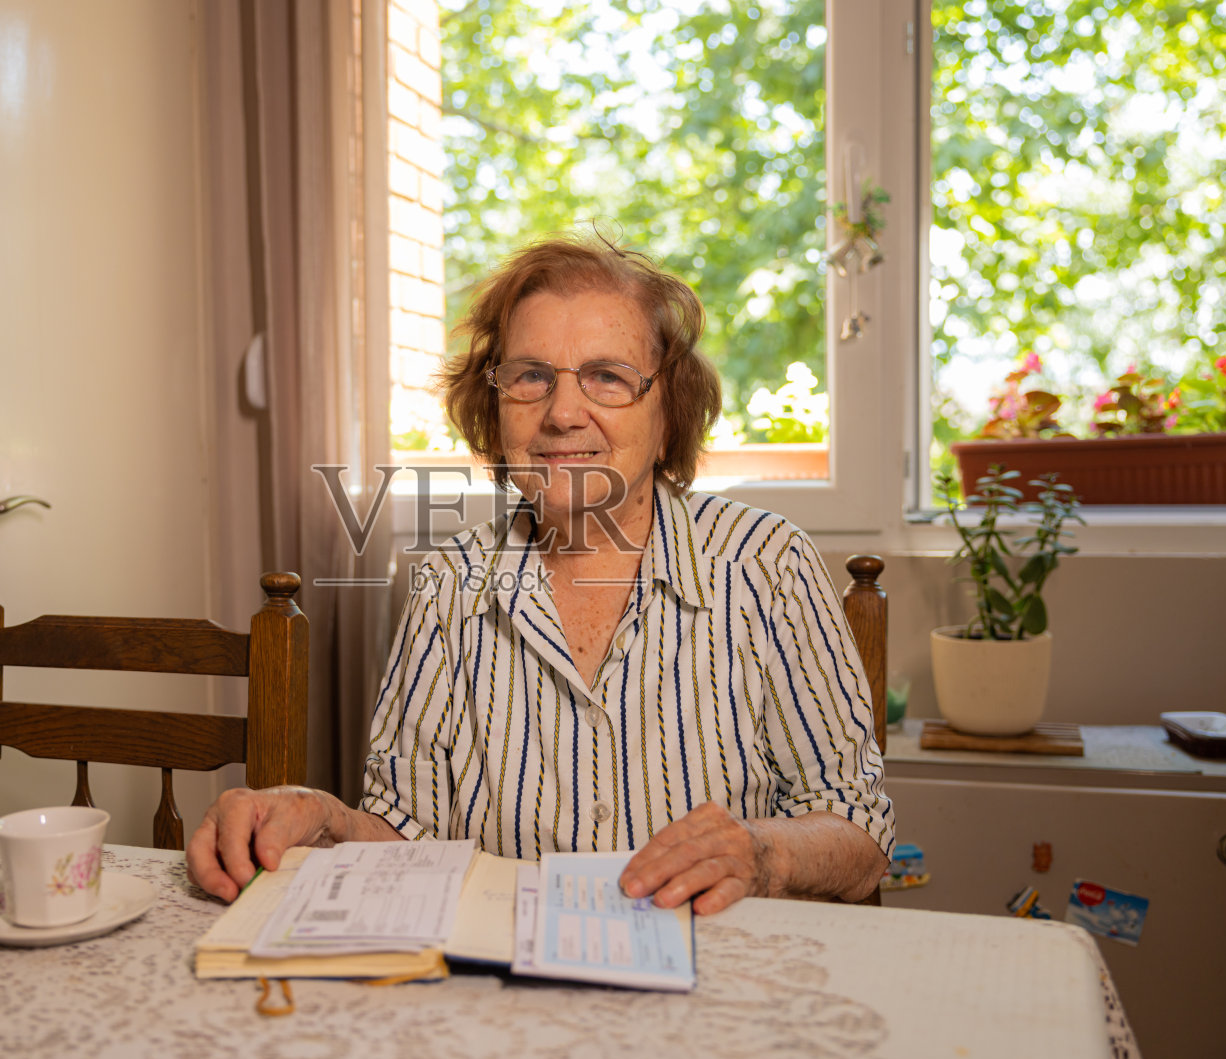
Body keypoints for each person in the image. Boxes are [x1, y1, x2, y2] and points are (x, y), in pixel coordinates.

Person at [188, 234, 893, 915]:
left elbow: (860, 842)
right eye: (530, 376)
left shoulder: (768, 564)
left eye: (607, 377)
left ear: (668, 410)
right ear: (494, 406)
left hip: (717, 993)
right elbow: (407, 842)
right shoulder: (447, 585)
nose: (561, 413)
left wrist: (762, 852)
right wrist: (325, 818)